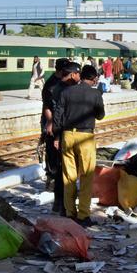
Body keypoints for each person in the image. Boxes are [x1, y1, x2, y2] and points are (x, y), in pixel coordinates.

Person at [54, 64, 105, 226]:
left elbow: (58, 116)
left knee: (69, 177)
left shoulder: (66, 92)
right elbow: (100, 115)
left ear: (81, 75)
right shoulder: (95, 93)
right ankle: (83, 215)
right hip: (85, 137)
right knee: (86, 176)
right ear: (94, 78)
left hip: (68, 135)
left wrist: (57, 136)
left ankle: (70, 213)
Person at [41, 59, 73, 214]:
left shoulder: (63, 83)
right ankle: (60, 202)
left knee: (62, 167)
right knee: (58, 166)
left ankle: (62, 201)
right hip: (54, 129)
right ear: (62, 71)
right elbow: (48, 107)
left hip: (61, 127)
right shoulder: (51, 85)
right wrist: (51, 123)